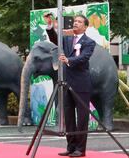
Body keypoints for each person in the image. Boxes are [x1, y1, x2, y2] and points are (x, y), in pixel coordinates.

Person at [44, 14, 95, 157]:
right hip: (66, 83)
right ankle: (71, 147)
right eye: (75, 21)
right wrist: (49, 25)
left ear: (85, 26)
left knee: (82, 117)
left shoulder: (89, 42)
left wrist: (68, 60)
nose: (76, 23)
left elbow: (83, 57)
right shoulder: (67, 40)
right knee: (69, 116)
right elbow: (54, 39)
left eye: (79, 22)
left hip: (81, 84)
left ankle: (80, 149)